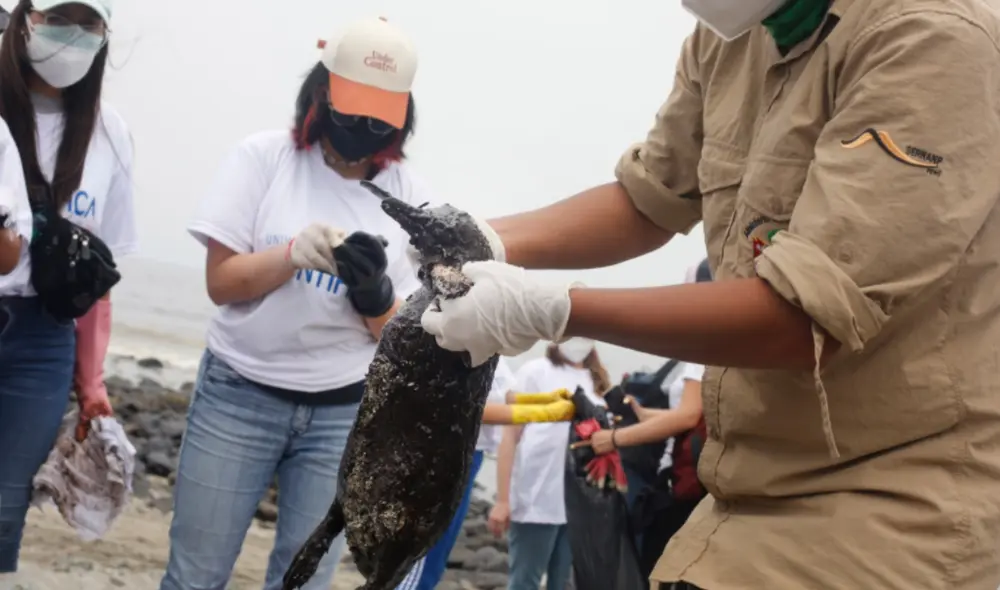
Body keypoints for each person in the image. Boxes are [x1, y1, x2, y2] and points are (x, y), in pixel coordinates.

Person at [417, 0, 1000, 588]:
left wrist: (560, 308)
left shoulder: (931, 38)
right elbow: (649, 197)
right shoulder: (729, 35)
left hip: (902, 494)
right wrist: (482, 238)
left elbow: (799, 315)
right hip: (744, 485)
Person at [160, 17, 427, 590]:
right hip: (240, 395)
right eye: (352, 109)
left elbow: (396, 334)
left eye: (377, 117)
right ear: (322, 91)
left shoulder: (405, 194)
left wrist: (374, 293)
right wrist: (291, 254)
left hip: (341, 412)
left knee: (304, 579)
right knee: (196, 575)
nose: (361, 126)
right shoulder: (263, 159)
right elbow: (222, 284)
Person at [0, 0, 136, 574]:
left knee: (7, 504)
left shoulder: (110, 136)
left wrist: (92, 381)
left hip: (42, 341)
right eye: (59, 18)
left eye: (89, 24)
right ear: (23, 18)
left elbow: (98, 281)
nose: (73, 36)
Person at [395, 358, 578, 590]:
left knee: (435, 562)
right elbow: (469, 408)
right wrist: (544, 413)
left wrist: (545, 399)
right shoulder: (458, 346)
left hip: (469, 459)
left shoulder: (491, 354)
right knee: (422, 564)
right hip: (443, 458)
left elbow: (505, 397)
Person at [588, 260, 711, 586]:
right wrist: (645, 416)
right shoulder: (735, 342)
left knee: (656, 571)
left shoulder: (704, 346)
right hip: (704, 484)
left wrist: (614, 439)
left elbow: (686, 416)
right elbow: (698, 413)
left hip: (682, 488)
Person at [489, 338, 611, 590]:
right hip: (536, 498)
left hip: (580, 503)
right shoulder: (536, 371)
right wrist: (503, 500)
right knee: (525, 581)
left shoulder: (597, 382)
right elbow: (509, 437)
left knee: (564, 582)